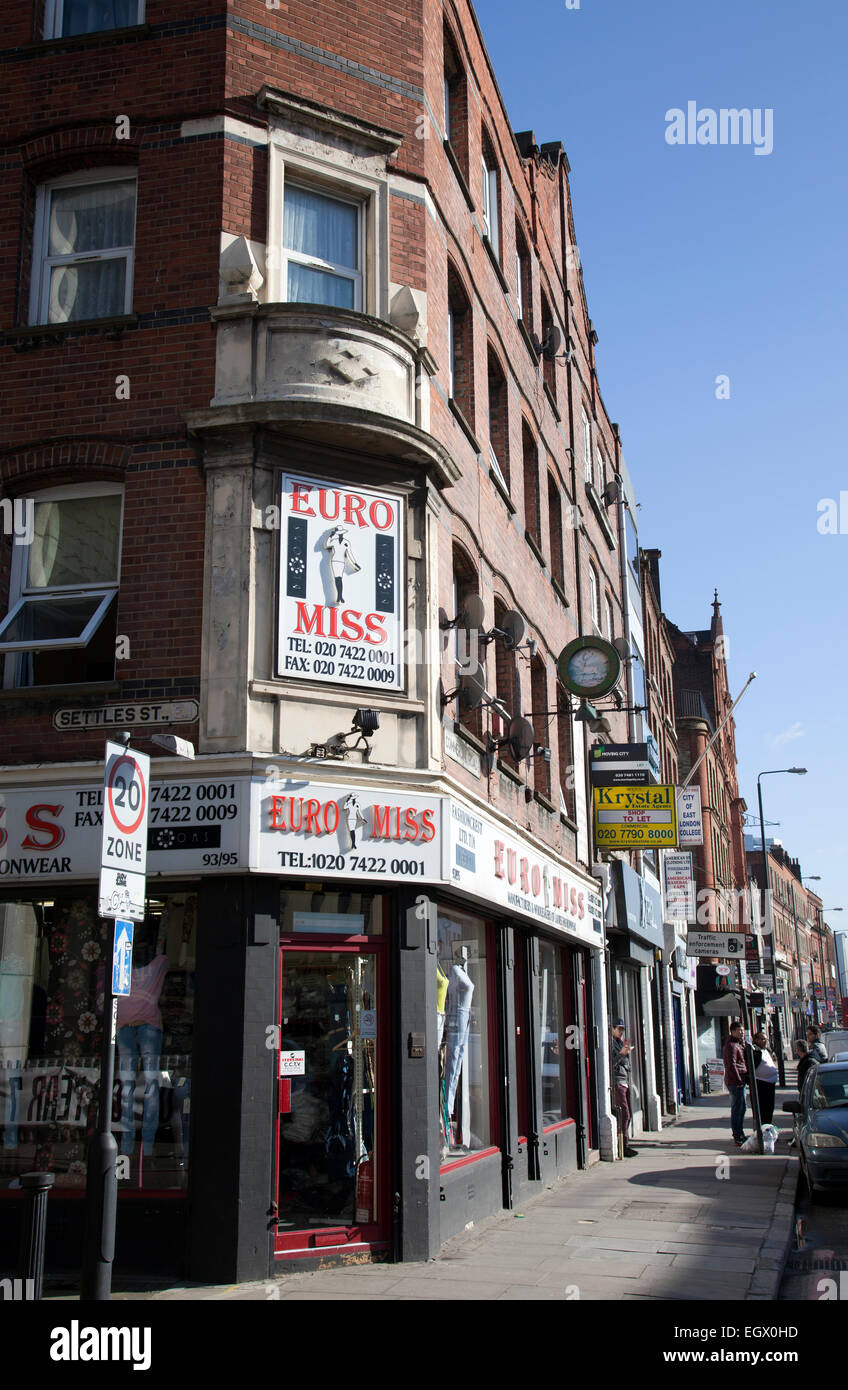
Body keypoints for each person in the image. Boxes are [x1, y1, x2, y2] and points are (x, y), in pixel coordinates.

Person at [611, 1019, 637, 1157]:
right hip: (617, 1082)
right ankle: (622, 1145)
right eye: (619, 1029)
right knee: (624, 1113)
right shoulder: (611, 1043)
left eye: (623, 1029)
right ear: (612, 1028)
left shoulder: (620, 1042)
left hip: (625, 1080)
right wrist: (622, 1053)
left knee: (628, 1113)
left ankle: (625, 1143)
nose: (621, 1032)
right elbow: (612, 1062)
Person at [722, 1021, 748, 1147]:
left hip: (739, 1081)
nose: (741, 1032)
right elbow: (731, 1065)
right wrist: (738, 1081)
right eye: (738, 1030)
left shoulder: (737, 1044)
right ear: (732, 1031)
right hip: (735, 1082)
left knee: (741, 1108)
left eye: (742, 1030)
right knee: (738, 1109)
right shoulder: (732, 1045)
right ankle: (738, 1136)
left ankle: (740, 1134)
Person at [752, 1030, 779, 1124]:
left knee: (770, 1108)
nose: (765, 1041)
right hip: (761, 1084)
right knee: (763, 1110)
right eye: (763, 1039)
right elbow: (751, 1067)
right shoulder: (755, 1051)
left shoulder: (766, 1050)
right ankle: (762, 1130)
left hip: (770, 1083)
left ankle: (768, 1127)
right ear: (756, 1040)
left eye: (766, 1039)